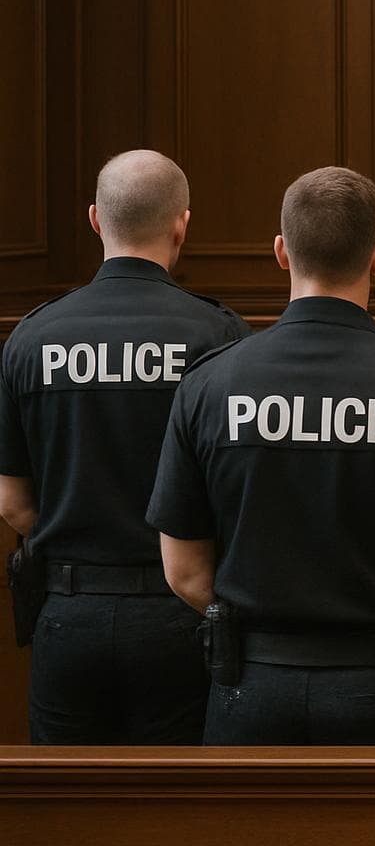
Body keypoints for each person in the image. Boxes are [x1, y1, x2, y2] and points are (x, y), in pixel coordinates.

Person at [146, 167, 375, 746]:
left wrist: (261, 634)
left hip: (251, 685)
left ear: (281, 253)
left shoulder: (210, 384)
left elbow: (183, 570)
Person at [0, 151, 250, 745]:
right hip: (180, 611)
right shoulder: (218, 336)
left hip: (68, 613)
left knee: (64, 797)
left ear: (95, 219)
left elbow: (12, 502)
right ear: (182, 224)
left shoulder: (31, 338)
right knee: (177, 793)